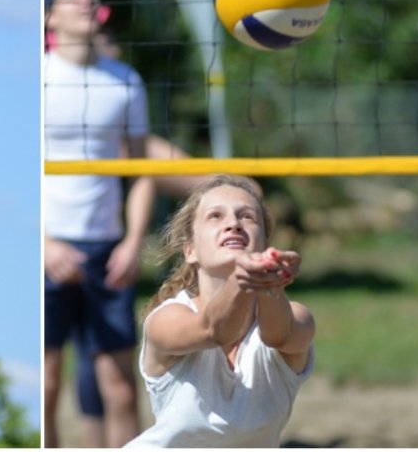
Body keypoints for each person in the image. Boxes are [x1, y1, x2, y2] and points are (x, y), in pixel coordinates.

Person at [43, 0, 156, 448]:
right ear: (50, 16)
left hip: (109, 249)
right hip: (50, 249)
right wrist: (43, 243)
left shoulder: (124, 79)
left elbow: (145, 170)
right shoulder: (39, 78)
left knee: (121, 389)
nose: (87, 0)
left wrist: (134, 242)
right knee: (46, 389)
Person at [125, 174, 315, 447]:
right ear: (190, 250)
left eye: (247, 216)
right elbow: (215, 329)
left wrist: (269, 284)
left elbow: (279, 336)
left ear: (264, 242)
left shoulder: (298, 317)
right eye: (215, 216)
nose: (234, 224)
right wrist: (245, 275)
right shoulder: (166, 318)